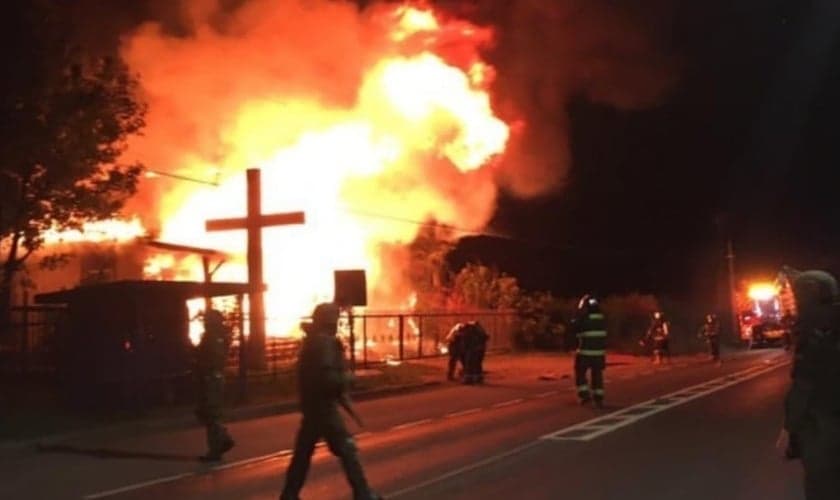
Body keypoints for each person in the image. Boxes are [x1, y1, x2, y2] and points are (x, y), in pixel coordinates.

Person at [280, 303, 382, 500]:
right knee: (347, 450)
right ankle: (363, 493)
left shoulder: (311, 342)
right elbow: (327, 379)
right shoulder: (325, 343)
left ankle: (289, 495)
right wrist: (347, 379)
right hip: (325, 408)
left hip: (312, 408)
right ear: (330, 321)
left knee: (302, 454)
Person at [776, 269, 840, 499]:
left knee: (823, 487)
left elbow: (804, 384)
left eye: (795, 295)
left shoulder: (813, 327)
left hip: (823, 427)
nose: (792, 302)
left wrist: (788, 428)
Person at [195, 308, 235, 462]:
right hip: (211, 377)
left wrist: (203, 365)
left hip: (211, 378)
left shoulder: (214, 336)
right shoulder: (216, 335)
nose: (205, 322)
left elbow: (215, 358)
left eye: (207, 320)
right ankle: (222, 439)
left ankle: (216, 448)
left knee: (211, 413)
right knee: (206, 412)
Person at [571, 295, 608, 408]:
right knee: (597, 374)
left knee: (580, 373)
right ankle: (598, 397)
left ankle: (584, 395)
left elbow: (574, 328)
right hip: (599, 353)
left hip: (585, 352)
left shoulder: (584, 319)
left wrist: (576, 315)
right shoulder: (602, 319)